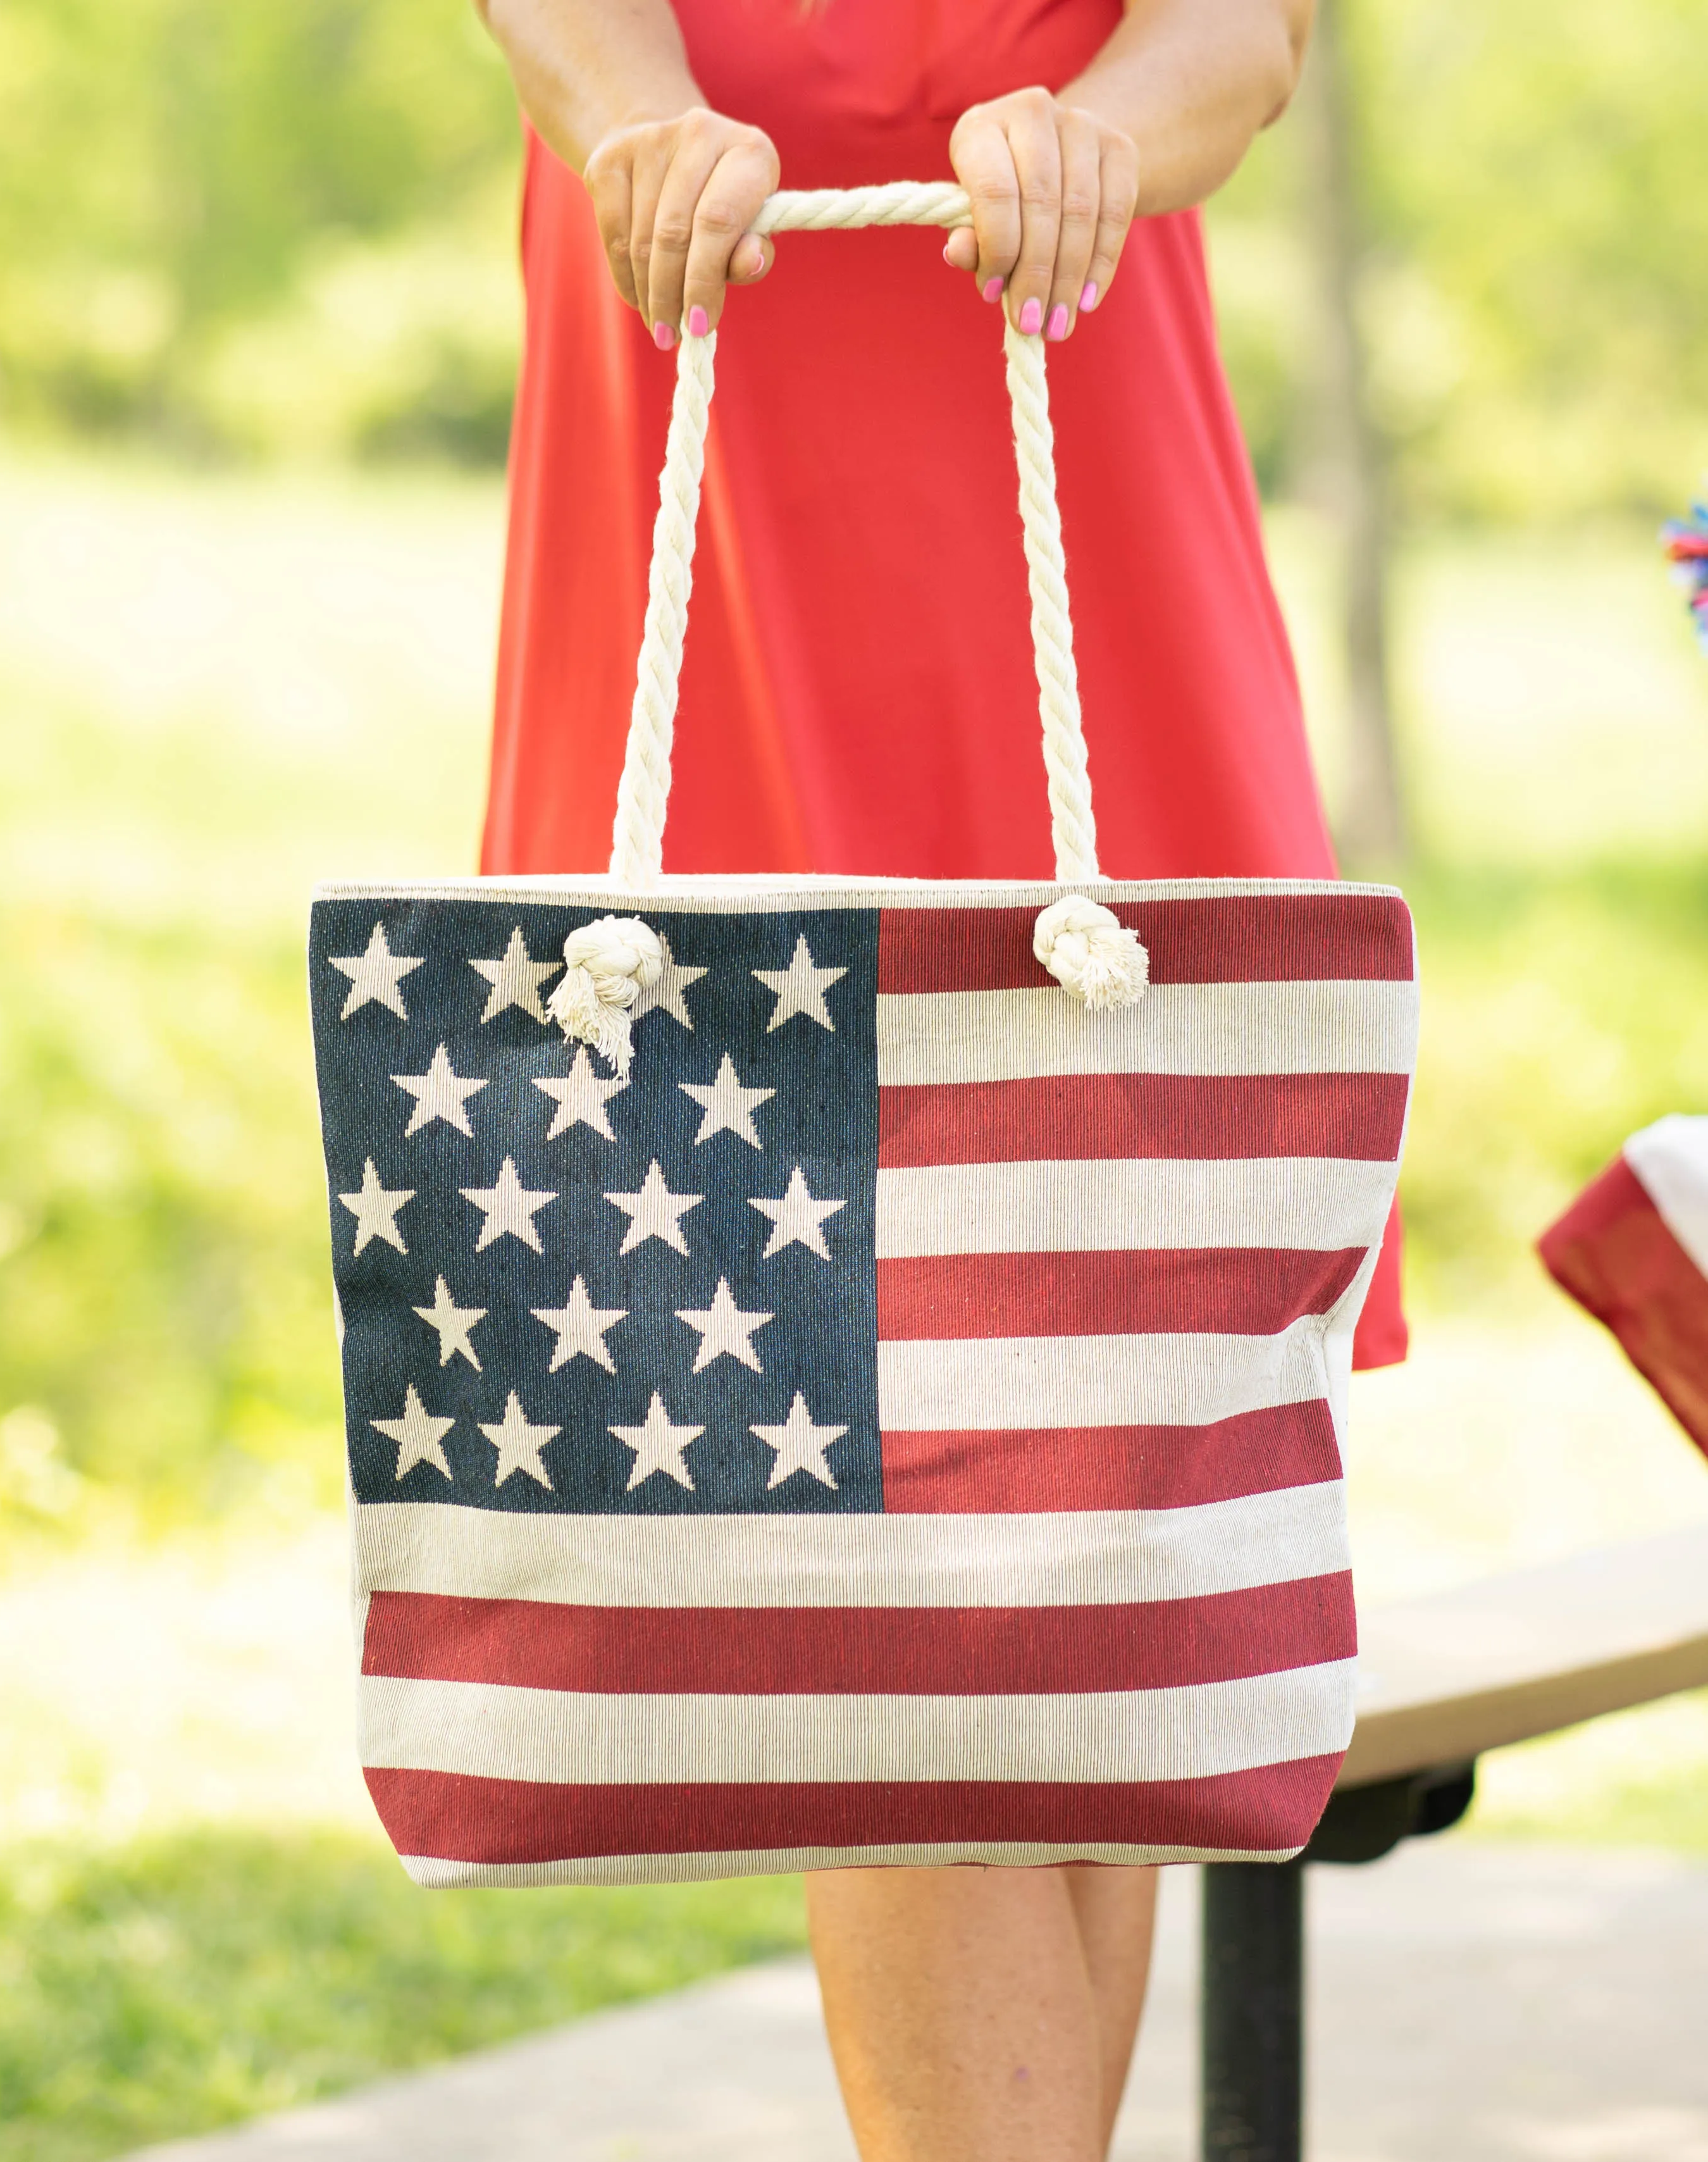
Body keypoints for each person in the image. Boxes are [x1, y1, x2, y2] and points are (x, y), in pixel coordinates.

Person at [472, 3, 1403, 2156]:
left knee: (1108, 1473)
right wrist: (631, 113)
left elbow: (1236, 34)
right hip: (718, 413)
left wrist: (1101, 132)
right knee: (880, 1482)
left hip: (1063, 474)